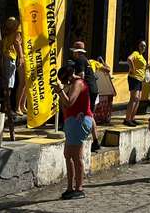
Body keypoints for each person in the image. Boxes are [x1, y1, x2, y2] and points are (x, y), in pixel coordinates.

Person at [54, 61, 94, 200]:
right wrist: (61, 93)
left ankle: (79, 188)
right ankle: (70, 187)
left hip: (79, 121)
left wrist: (60, 91)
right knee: (68, 154)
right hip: (72, 121)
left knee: (76, 156)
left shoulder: (78, 83)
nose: (65, 82)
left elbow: (70, 102)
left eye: (65, 80)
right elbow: (66, 105)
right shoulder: (71, 84)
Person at [70, 41, 104, 152]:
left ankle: (87, 139)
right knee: (89, 114)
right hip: (93, 89)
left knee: (86, 114)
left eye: (74, 52)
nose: (73, 54)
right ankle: (95, 141)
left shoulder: (79, 60)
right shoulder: (86, 60)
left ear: (77, 52)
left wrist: (70, 76)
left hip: (87, 90)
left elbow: (81, 76)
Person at [1, 17, 25, 117]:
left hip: (5, 57)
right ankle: (7, 107)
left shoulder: (7, 33)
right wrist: (21, 56)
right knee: (9, 84)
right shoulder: (16, 32)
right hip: (10, 58)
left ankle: (6, 106)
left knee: (8, 83)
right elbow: (17, 43)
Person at [124, 40, 149, 126]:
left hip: (140, 79)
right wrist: (132, 69)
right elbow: (129, 59)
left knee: (138, 99)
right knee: (134, 98)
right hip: (134, 78)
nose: (143, 47)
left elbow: (142, 67)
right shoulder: (135, 53)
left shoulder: (141, 56)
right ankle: (127, 119)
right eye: (141, 46)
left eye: (144, 46)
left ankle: (132, 118)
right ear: (138, 46)